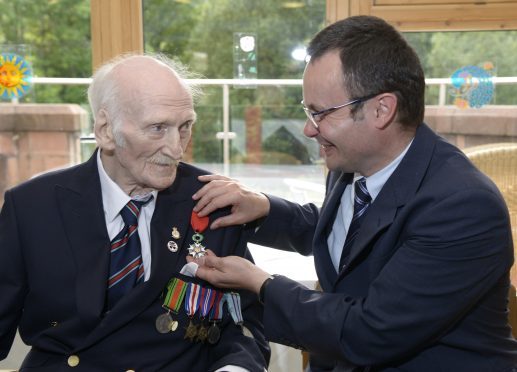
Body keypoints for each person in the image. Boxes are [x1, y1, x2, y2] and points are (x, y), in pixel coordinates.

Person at [190, 15, 517, 372]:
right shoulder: (353, 163)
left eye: (320, 113)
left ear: (381, 109)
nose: (308, 129)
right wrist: (264, 209)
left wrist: (262, 284)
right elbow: (351, 236)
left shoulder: (463, 206)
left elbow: (372, 333)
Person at [0, 54, 269, 371]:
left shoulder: (210, 199)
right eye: (157, 128)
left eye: (185, 127)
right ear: (106, 130)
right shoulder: (33, 207)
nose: (176, 149)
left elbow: (243, 325)